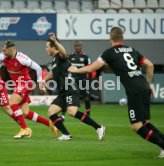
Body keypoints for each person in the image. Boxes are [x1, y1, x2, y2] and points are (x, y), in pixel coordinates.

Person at [68, 26, 164, 158]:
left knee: (136, 126)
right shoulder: (132, 50)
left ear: (110, 38)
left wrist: (75, 70)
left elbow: (91, 68)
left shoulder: (109, 52)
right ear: (122, 38)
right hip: (143, 86)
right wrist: (148, 84)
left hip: (134, 91)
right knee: (144, 123)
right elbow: (150, 65)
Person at [0, 40, 58, 138]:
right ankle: (50, 124)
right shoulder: (3, 56)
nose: (3, 53)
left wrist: (40, 81)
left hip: (25, 83)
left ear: (12, 49)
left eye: (5, 51)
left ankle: (24, 129)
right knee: (25, 113)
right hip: (18, 85)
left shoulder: (22, 58)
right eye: (2, 50)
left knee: (12, 103)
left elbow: (38, 68)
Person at [44, 32, 105, 141]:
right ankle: (66, 135)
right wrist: (43, 80)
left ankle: (99, 127)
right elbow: (52, 73)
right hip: (63, 90)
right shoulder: (55, 60)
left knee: (72, 111)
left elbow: (63, 51)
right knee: (51, 112)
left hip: (70, 87)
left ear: (54, 47)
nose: (45, 49)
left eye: (47, 47)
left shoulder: (60, 56)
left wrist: (55, 41)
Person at [67, 41, 93, 117]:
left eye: (78, 45)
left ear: (81, 46)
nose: (77, 47)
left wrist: (89, 81)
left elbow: (90, 69)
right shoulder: (70, 57)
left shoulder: (86, 57)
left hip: (83, 80)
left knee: (86, 97)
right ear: (74, 47)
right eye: (76, 46)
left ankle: (88, 113)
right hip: (72, 80)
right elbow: (67, 68)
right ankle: (64, 114)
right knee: (69, 96)